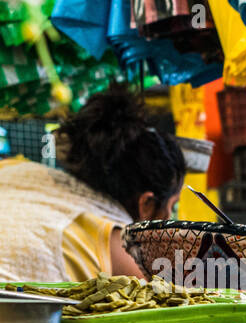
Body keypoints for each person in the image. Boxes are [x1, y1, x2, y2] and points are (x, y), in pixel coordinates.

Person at [0, 85, 185, 283]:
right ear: (146, 204)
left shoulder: (11, 168)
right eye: (171, 206)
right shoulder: (119, 248)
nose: (168, 218)